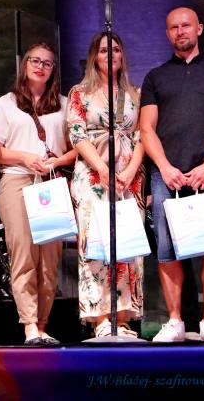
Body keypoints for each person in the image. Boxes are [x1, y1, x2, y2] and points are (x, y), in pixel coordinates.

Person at [140, 7, 204, 342]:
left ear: (199, 29)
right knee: (167, 249)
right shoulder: (155, 77)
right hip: (166, 176)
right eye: (173, 27)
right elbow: (146, 129)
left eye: (186, 25)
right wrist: (165, 168)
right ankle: (176, 320)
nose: (180, 31)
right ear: (167, 33)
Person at [0, 42, 76, 346]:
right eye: (35, 61)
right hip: (17, 180)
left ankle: (43, 324)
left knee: (50, 259)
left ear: (53, 70)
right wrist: (25, 157)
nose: (40, 67)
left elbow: (78, 147)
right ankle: (28, 325)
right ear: (25, 64)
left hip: (51, 183)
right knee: (24, 253)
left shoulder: (64, 104)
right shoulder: (6, 103)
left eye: (47, 63)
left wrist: (57, 162)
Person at [67, 32, 145, 338]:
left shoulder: (135, 94)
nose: (110, 54)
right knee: (96, 245)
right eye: (103, 50)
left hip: (129, 179)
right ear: (94, 57)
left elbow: (143, 136)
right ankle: (101, 318)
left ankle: (122, 318)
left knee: (127, 246)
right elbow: (77, 134)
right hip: (93, 176)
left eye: (115, 49)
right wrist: (103, 169)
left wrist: (130, 171)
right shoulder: (80, 92)